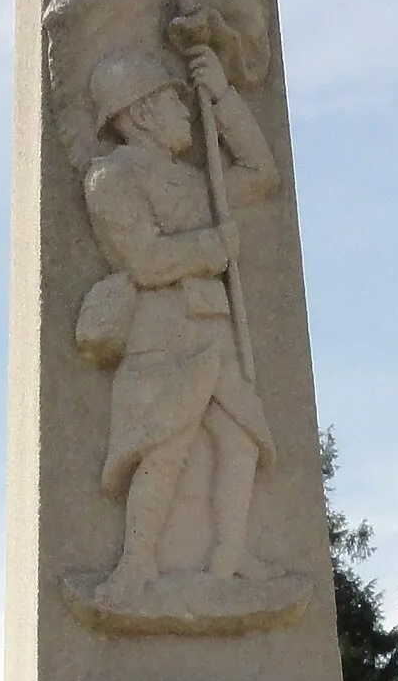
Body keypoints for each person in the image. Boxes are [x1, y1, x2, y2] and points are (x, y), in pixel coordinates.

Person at [80, 41, 279, 609]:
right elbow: (143, 261)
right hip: (162, 332)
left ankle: (228, 556)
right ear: (140, 112)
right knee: (163, 448)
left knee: (239, 441)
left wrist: (220, 92)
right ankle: (135, 568)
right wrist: (212, 246)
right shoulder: (111, 179)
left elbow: (260, 173)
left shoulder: (196, 181)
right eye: (174, 101)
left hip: (211, 330)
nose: (184, 113)